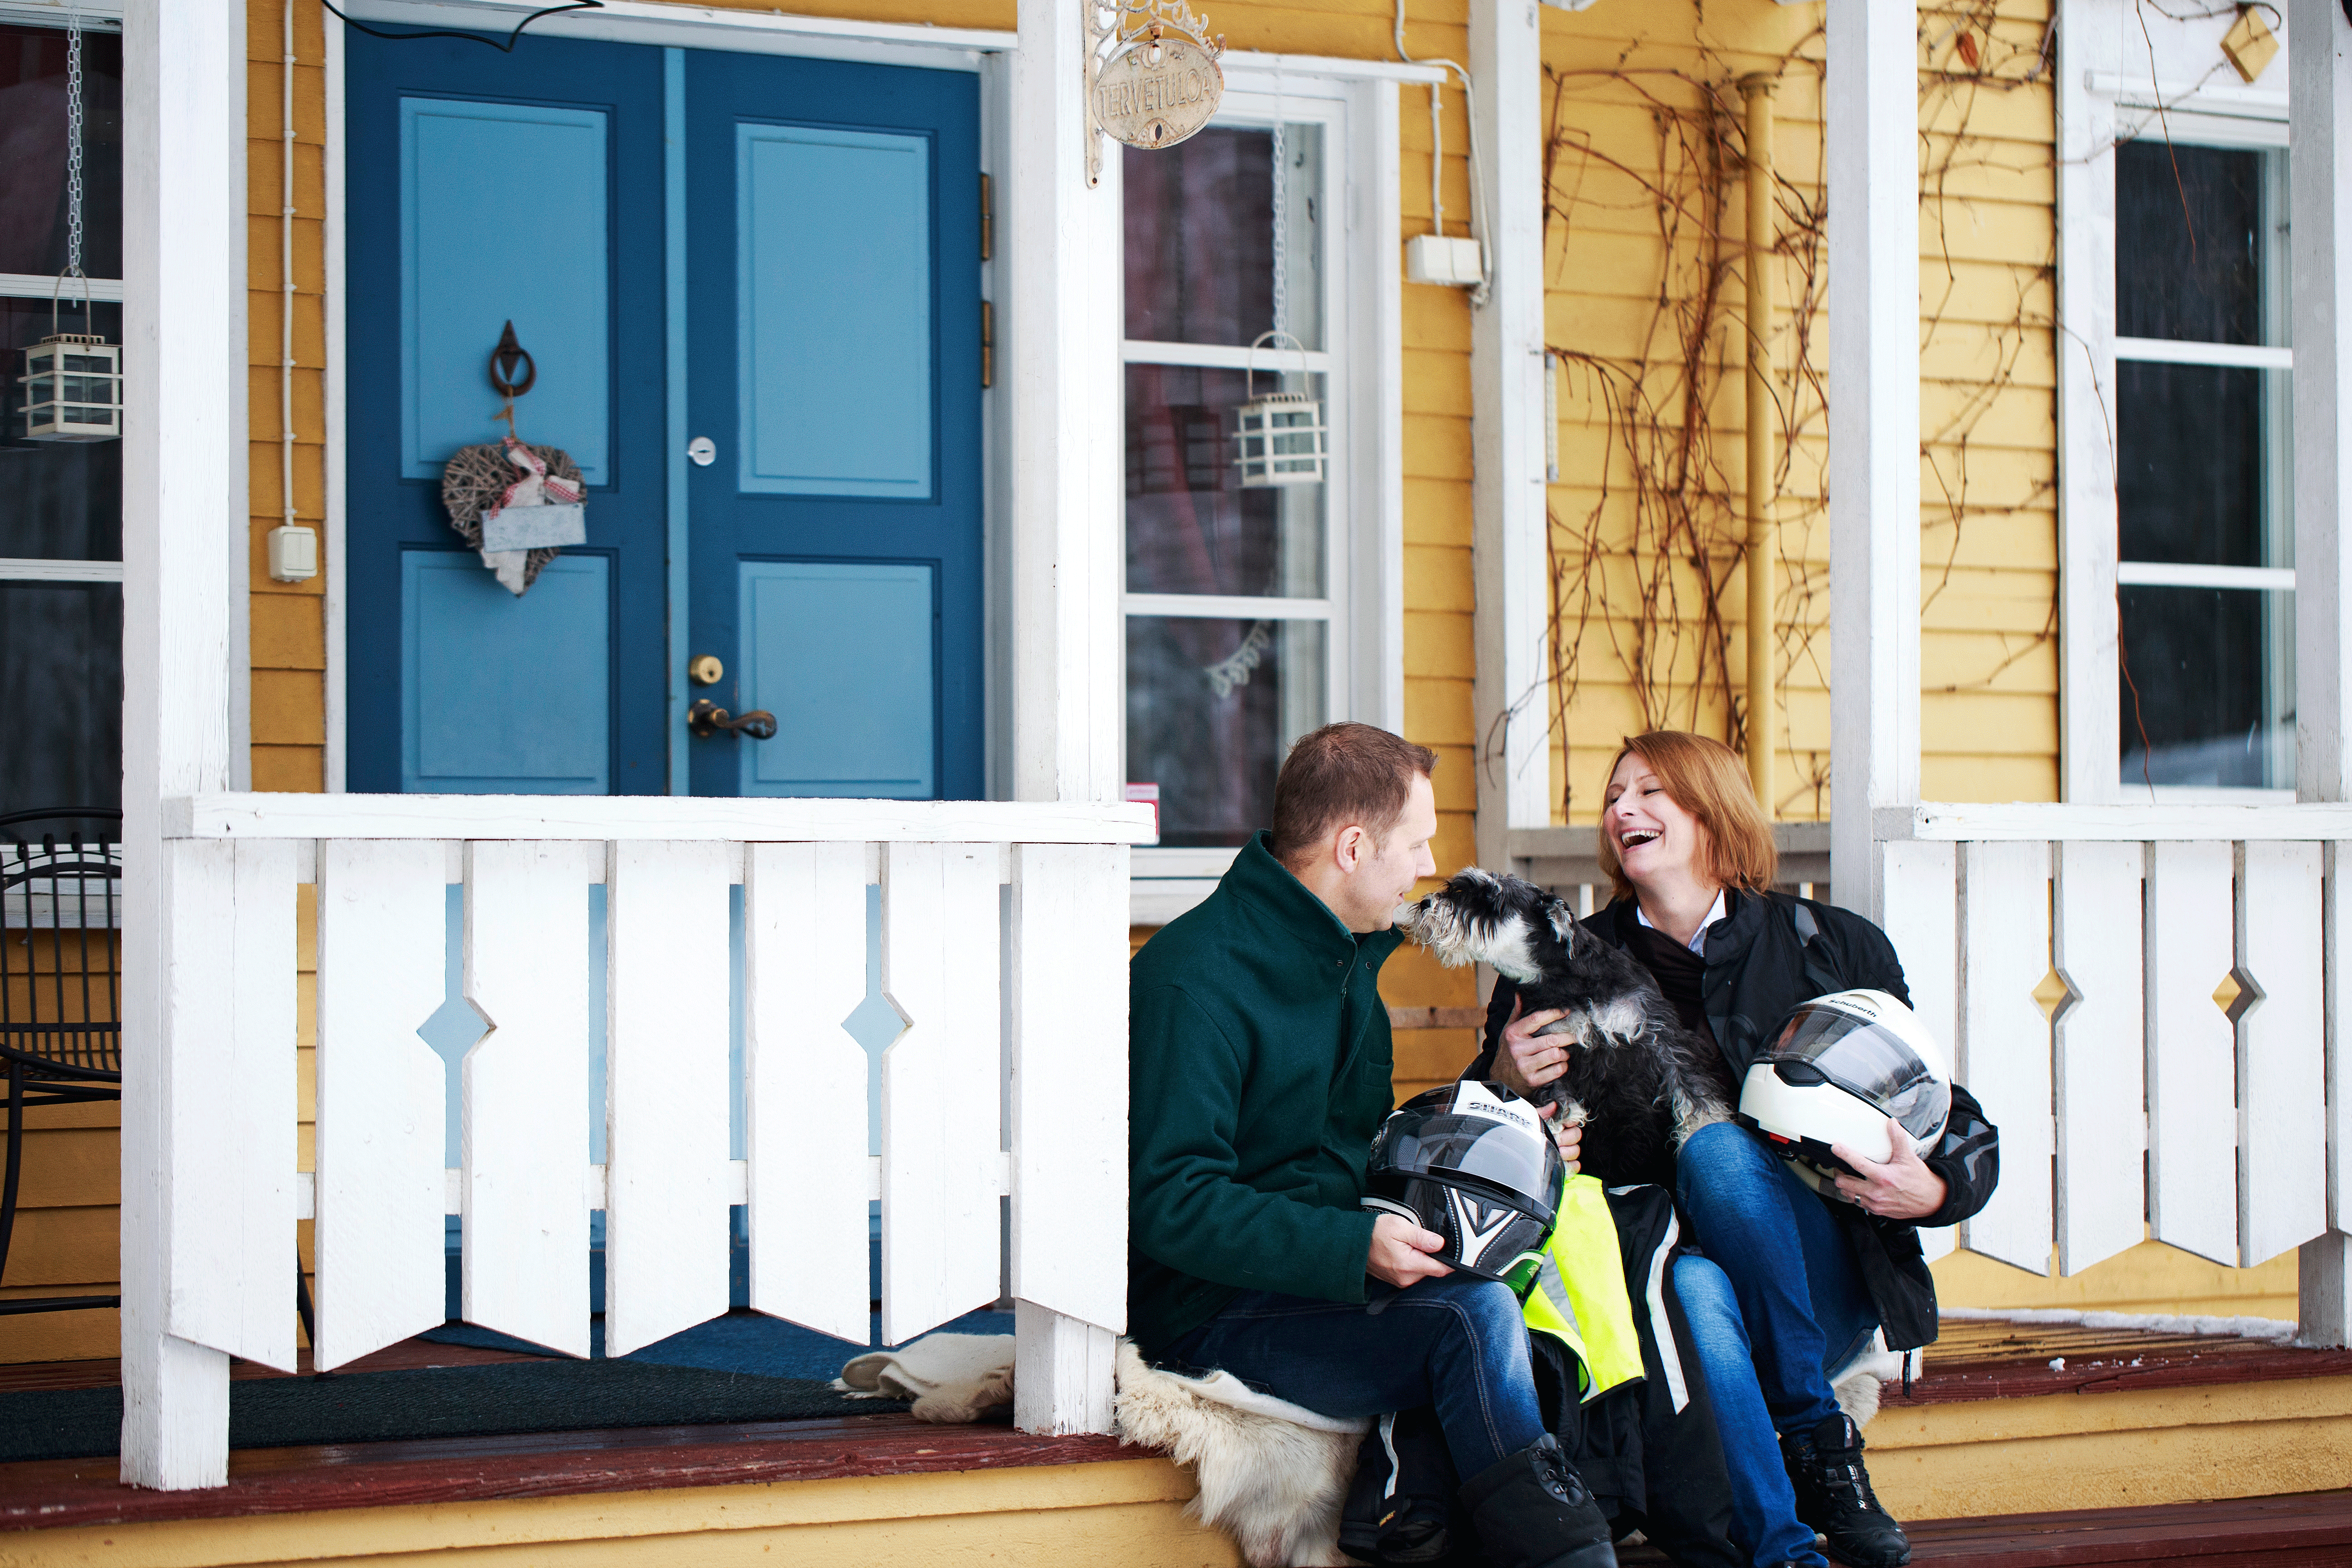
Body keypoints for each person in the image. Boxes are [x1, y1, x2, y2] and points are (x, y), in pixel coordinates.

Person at [1468, 732, 2000, 1568]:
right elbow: (1485, 1143)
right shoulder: (1558, 972)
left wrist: (1933, 1192)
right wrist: (1504, 1076)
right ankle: (1793, 1528)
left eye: (1651, 792)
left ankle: (1803, 1427)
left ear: (1713, 812)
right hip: (1662, 1299)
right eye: (1615, 796)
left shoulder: (1831, 948)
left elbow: (1946, 1113)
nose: (1623, 810)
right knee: (1694, 1280)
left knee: (1716, 1152)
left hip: (1815, 1272)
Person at [1129, 722, 1618, 1568]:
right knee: (1471, 1320)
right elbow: (1171, 1201)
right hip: (1212, 1311)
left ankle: (1473, 1527)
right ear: (1353, 846)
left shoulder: (1347, 959)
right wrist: (1354, 1242)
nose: (1428, 868)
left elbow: (1358, 1151)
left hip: (1324, 1282)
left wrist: (1492, 1139)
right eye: (1418, 843)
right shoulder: (1192, 979)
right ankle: (1570, 1556)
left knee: (1523, 1279)